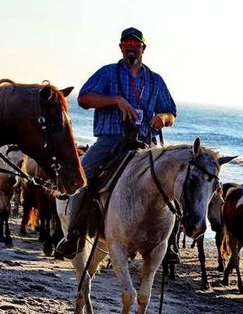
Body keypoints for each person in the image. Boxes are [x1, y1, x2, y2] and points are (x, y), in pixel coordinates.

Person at [55, 27, 178, 260]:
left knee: (173, 179)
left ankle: (169, 242)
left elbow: (171, 112)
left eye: (135, 45)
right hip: (110, 140)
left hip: (145, 143)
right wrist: (115, 100)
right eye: (126, 45)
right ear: (121, 47)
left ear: (143, 48)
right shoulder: (107, 73)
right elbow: (83, 99)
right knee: (82, 177)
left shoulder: (155, 80)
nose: (131, 49)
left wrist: (162, 118)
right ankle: (74, 235)